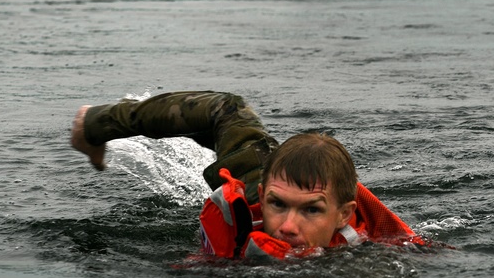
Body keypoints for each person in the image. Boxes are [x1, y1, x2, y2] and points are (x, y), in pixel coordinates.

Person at [70, 91, 427, 260]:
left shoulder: (365, 244)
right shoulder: (257, 198)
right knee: (226, 109)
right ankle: (93, 123)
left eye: (311, 211)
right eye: (280, 205)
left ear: (343, 216)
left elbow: (407, 271)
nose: (287, 226)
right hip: (259, 180)